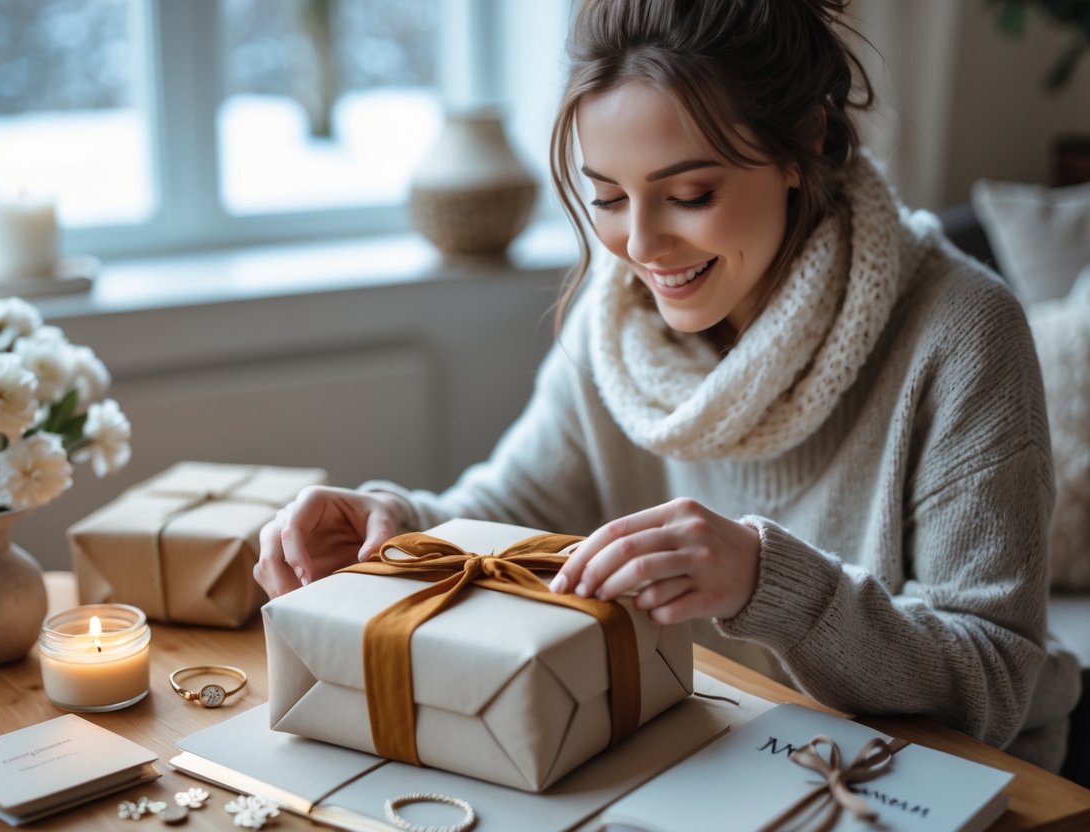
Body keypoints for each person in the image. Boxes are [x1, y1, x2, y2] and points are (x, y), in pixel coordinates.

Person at [254, 0, 1081, 770]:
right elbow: (517, 507)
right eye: (607, 197)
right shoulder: (613, 328)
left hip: (933, 780)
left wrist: (768, 583)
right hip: (706, 757)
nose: (640, 246)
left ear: (808, 143)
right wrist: (397, 528)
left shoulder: (961, 330)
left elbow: (992, 679)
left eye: (689, 194)